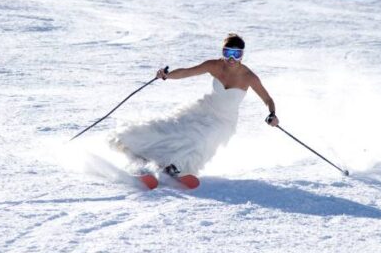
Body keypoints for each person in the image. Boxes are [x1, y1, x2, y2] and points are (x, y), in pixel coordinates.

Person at [110, 33, 279, 177]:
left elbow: (268, 99)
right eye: (227, 52)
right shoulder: (214, 65)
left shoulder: (249, 77)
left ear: (242, 55)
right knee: (175, 130)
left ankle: (178, 167)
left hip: (224, 122)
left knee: (201, 139)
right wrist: (167, 76)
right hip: (205, 109)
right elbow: (187, 72)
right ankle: (145, 154)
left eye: (236, 54)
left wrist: (272, 114)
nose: (231, 58)